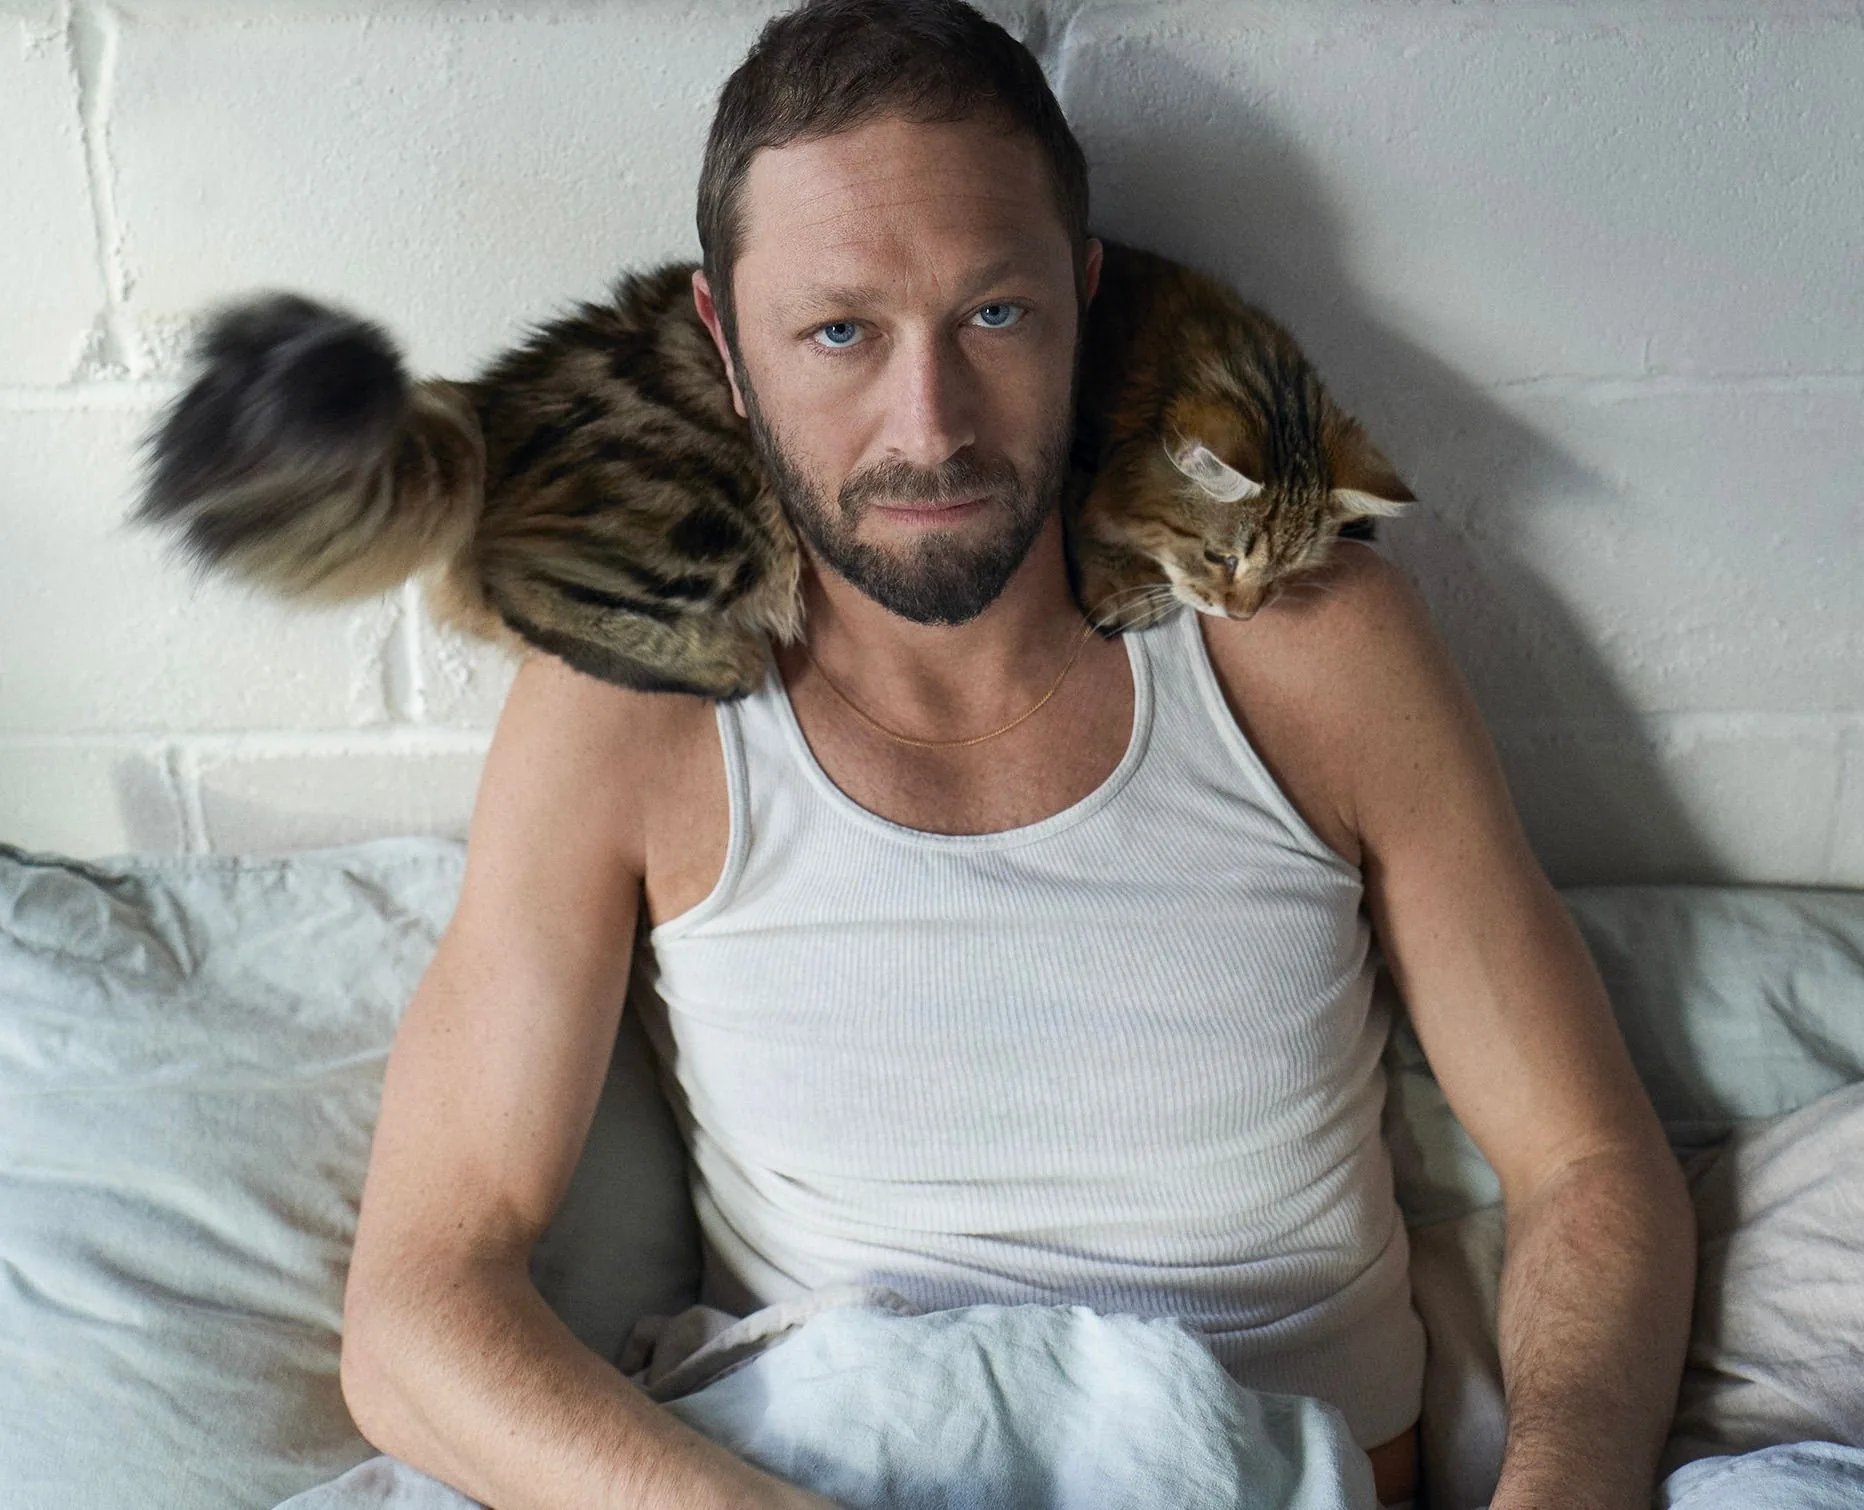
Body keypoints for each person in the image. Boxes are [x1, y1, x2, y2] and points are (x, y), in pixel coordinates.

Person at [336, 3, 1696, 1507]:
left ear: (1081, 298)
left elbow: (1586, 1160)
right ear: (728, 345)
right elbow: (413, 1313)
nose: (929, 426)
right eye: (839, 330)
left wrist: (1560, 1484)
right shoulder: (629, 718)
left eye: (993, 315)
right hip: (838, 1456)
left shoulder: (1310, 651)